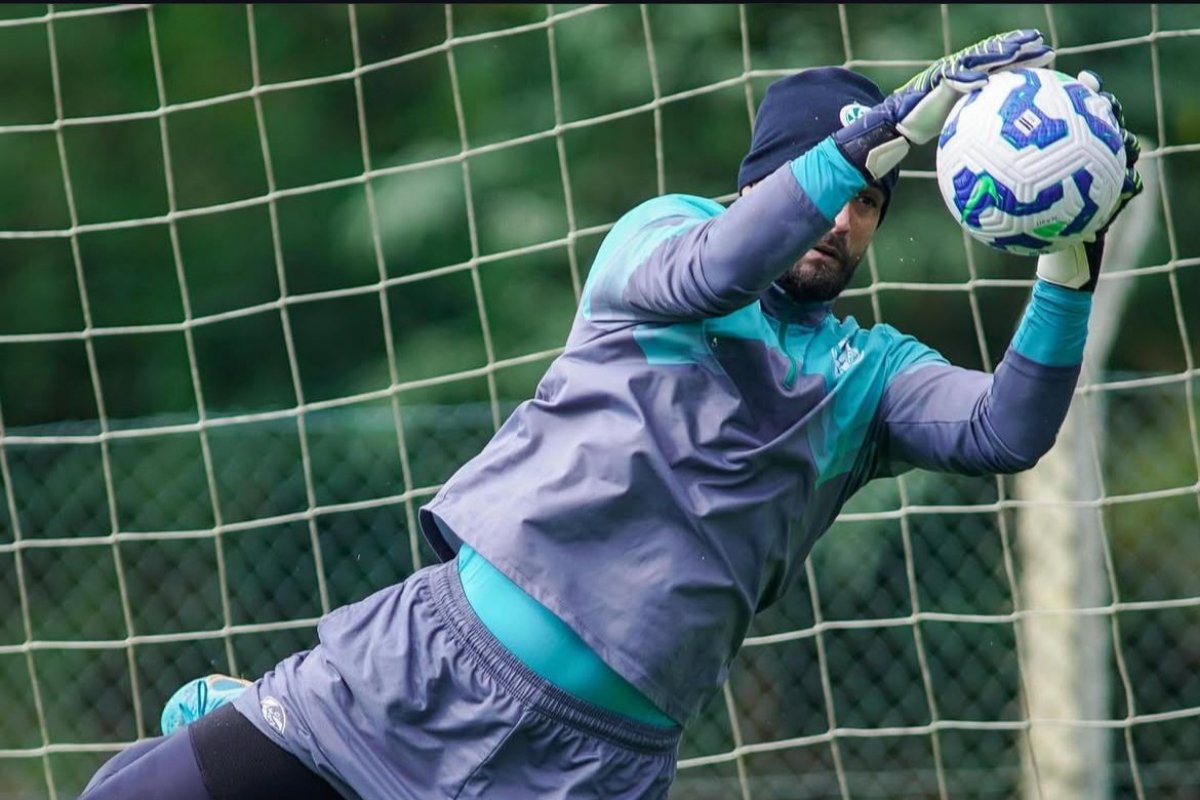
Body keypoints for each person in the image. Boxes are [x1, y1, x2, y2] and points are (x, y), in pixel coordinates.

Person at [79, 29, 1142, 800]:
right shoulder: (663, 238)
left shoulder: (871, 374)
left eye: (869, 206)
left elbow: (1006, 429)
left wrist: (1070, 256)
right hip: (421, 670)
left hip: (594, 764)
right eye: (827, 188)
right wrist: (873, 138)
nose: (845, 218)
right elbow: (724, 266)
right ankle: (249, 715)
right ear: (762, 181)